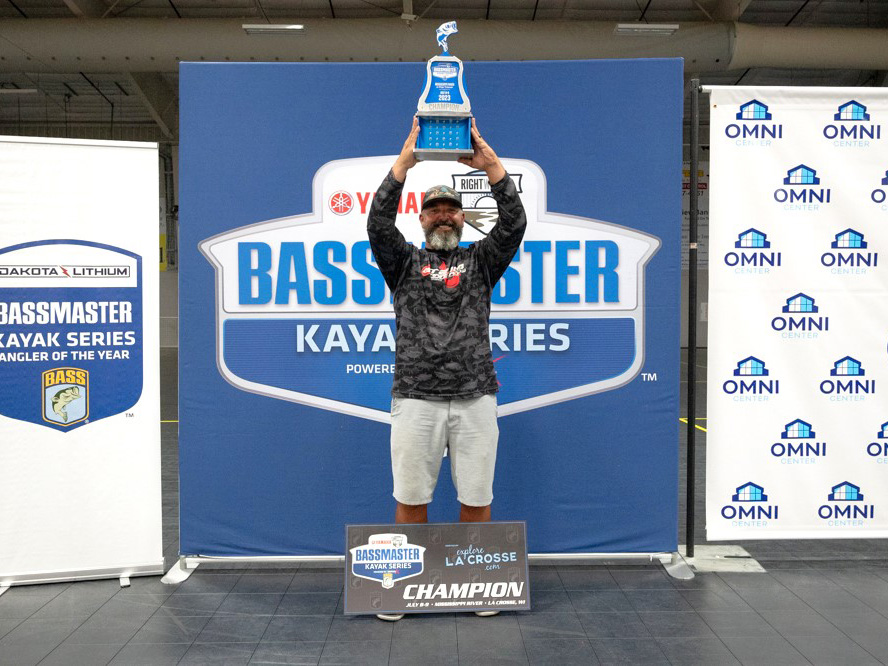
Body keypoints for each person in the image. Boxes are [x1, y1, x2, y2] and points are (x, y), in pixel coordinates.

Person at [367, 117, 526, 620]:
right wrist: (404, 165)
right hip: (415, 397)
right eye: (434, 209)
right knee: (412, 497)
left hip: (476, 395)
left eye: (451, 210)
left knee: (476, 496)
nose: (442, 216)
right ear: (421, 219)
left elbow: (515, 223)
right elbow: (376, 222)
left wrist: (493, 168)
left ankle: (476, 587)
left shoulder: (482, 261)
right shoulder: (403, 263)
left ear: (462, 219)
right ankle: (398, 590)